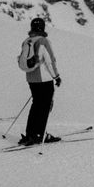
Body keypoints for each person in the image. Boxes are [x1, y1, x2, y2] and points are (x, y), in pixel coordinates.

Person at [18, 17, 62, 145]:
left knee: (36, 105)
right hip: (44, 79)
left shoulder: (27, 41)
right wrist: (56, 76)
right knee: (44, 107)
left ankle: (30, 134)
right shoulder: (43, 41)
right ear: (43, 28)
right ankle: (40, 134)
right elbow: (49, 61)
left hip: (31, 79)